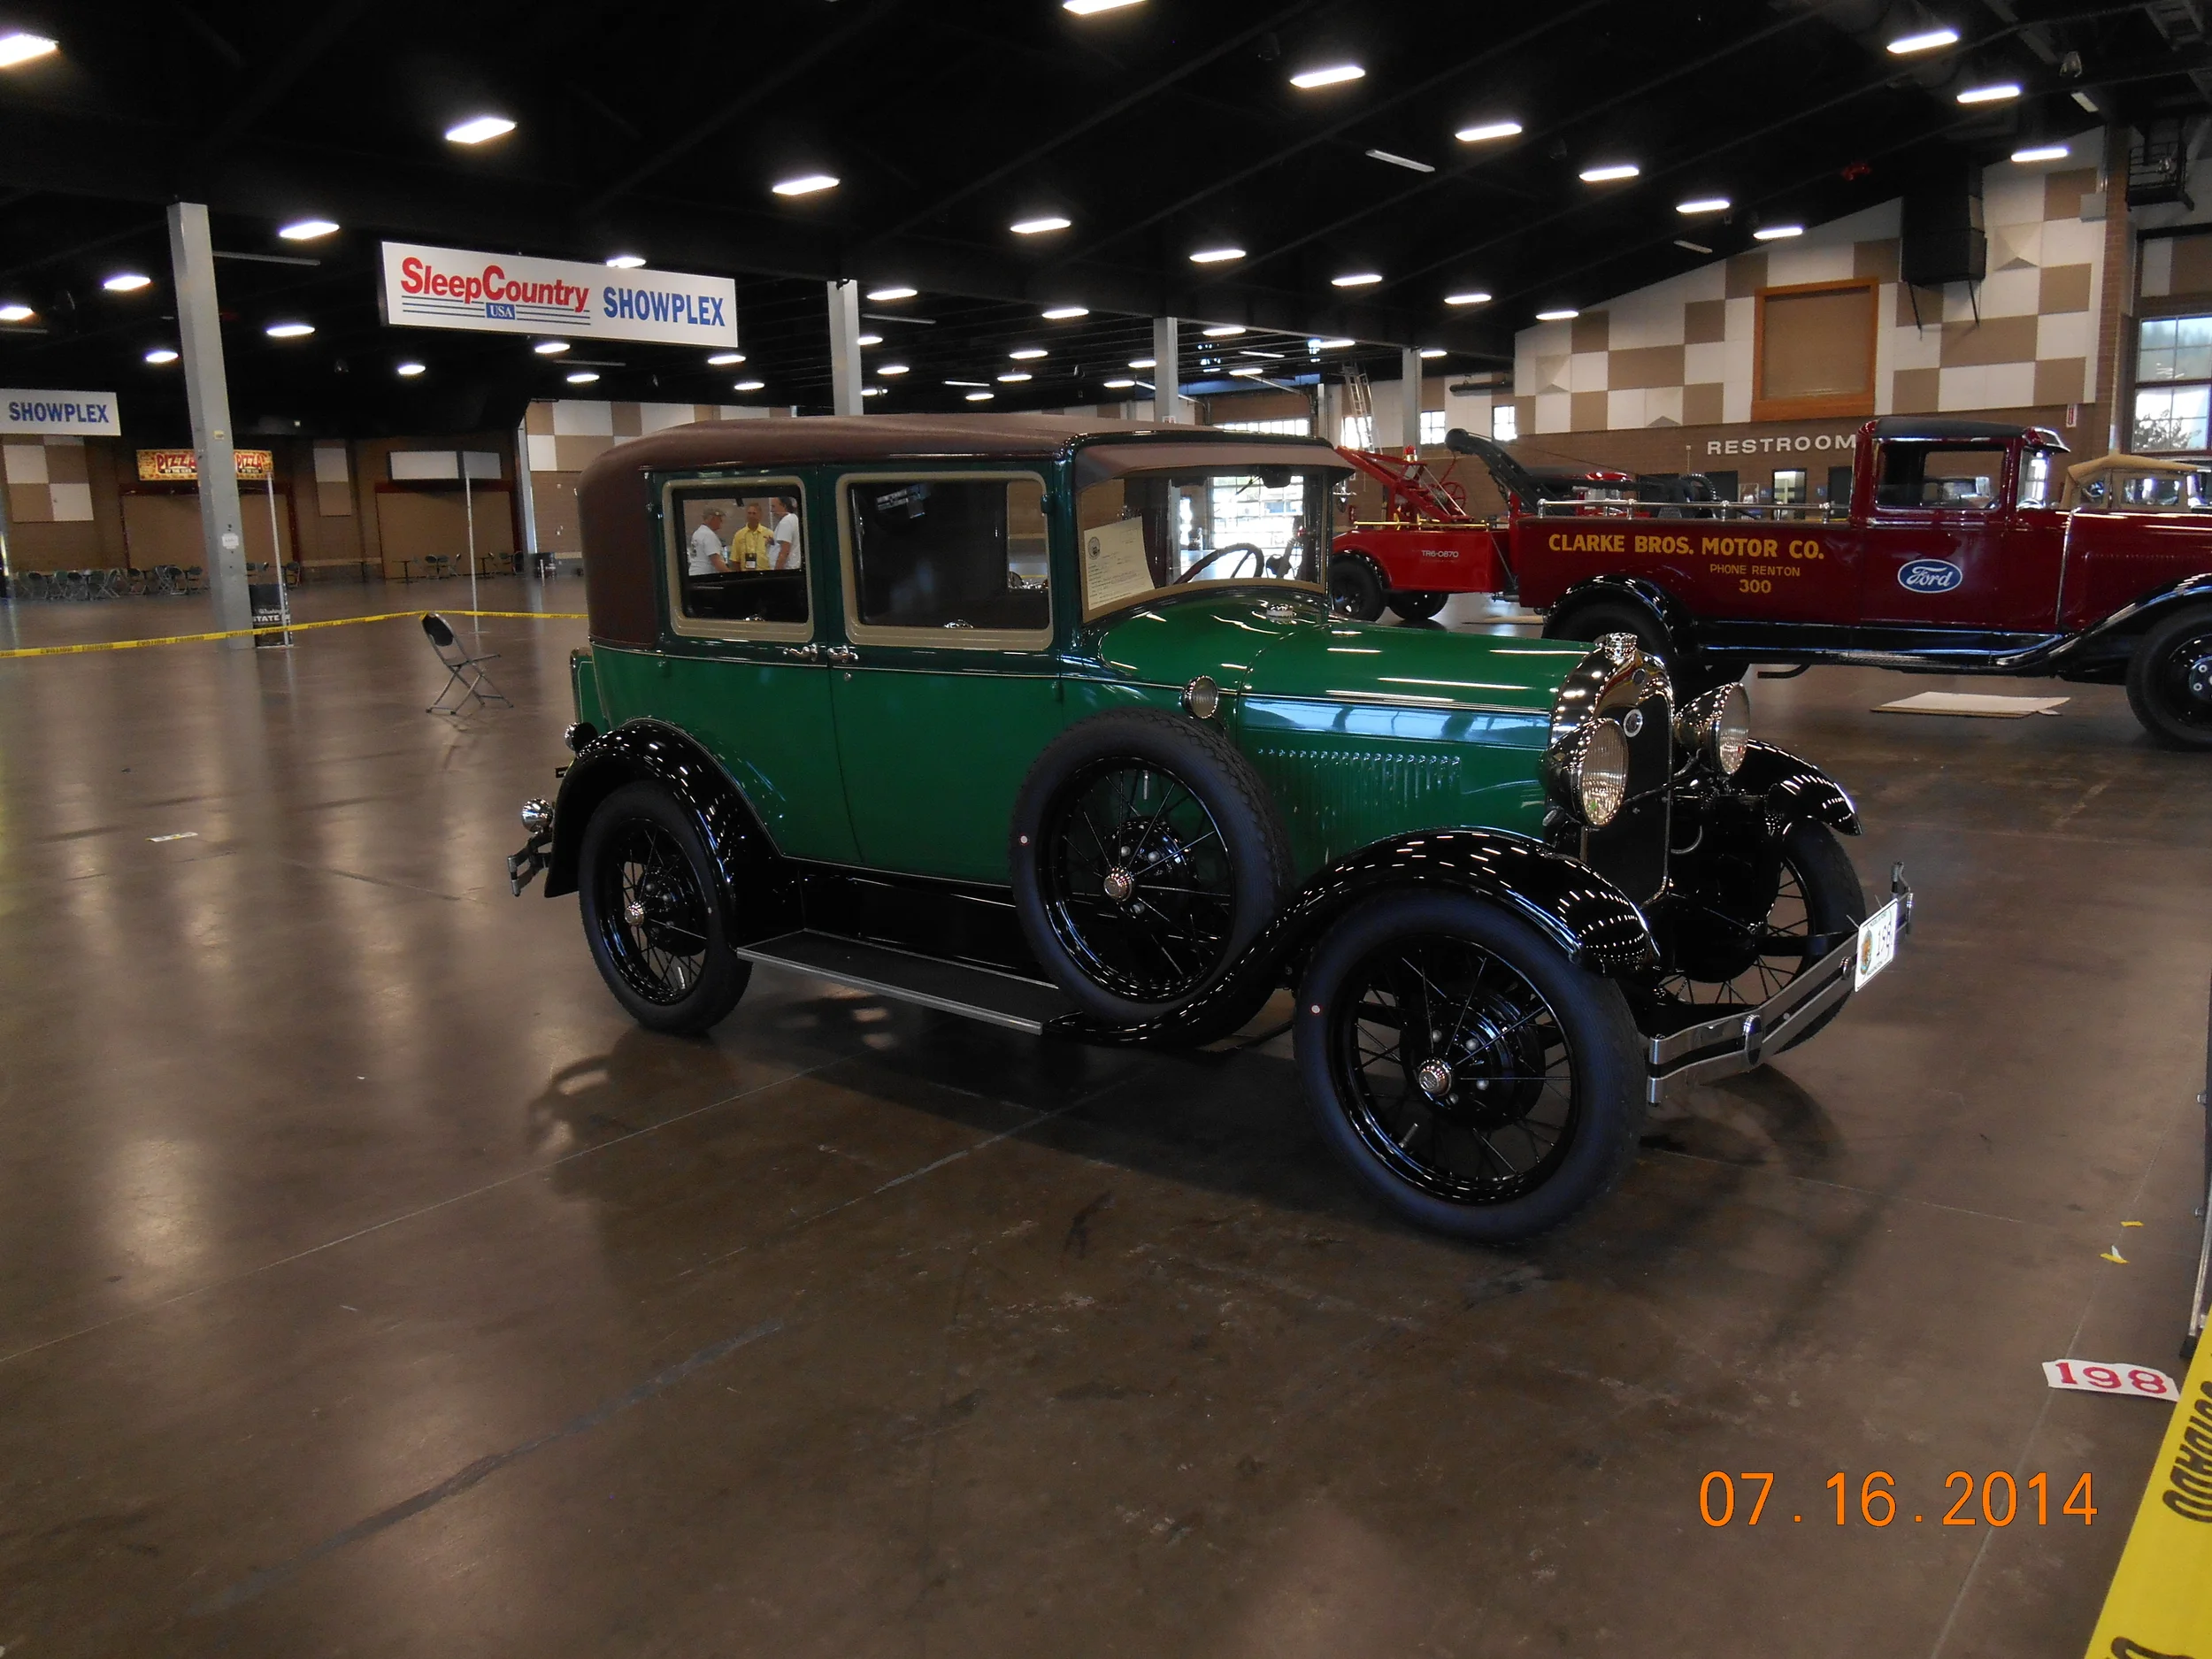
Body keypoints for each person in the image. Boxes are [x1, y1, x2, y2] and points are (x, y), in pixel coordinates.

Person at [730, 502, 772, 571]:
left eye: (754, 513)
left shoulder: (769, 534)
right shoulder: (739, 535)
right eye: (749, 513)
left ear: (760, 515)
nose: (751, 516)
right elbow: (735, 560)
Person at [687, 509, 729, 575]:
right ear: (712, 519)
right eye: (719, 519)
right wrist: (731, 575)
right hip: (705, 575)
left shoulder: (698, 533)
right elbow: (717, 562)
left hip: (694, 573)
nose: (721, 521)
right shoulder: (709, 535)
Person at [769, 496, 802, 571]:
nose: (771, 510)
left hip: (785, 569)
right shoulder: (794, 518)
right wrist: (773, 542)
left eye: (773, 506)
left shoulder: (785, 522)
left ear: (784, 506)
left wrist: (777, 573)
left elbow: (784, 552)